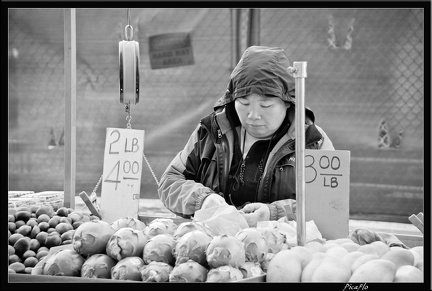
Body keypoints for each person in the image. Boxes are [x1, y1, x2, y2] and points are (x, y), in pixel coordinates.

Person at [158, 46, 335, 227]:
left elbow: (331, 205)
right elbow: (169, 182)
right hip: (215, 247)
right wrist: (202, 200)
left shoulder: (313, 142)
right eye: (243, 102)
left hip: (283, 250)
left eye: (265, 105)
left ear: (289, 102)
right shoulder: (211, 131)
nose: (253, 115)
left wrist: (274, 213)